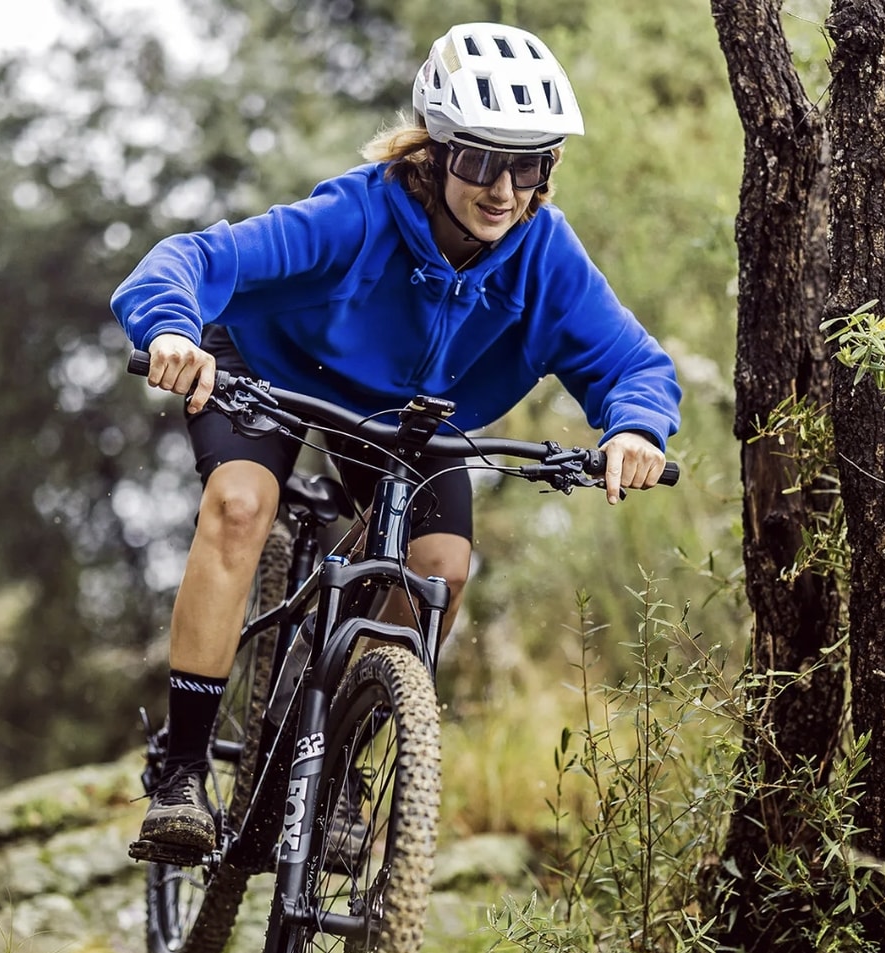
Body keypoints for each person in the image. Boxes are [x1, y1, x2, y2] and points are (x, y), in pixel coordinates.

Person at [110, 22, 680, 862]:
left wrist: (635, 427)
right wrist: (171, 330)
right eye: (483, 161)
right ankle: (184, 768)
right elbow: (188, 260)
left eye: (529, 165)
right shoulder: (356, 215)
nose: (503, 189)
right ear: (436, 151)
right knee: (240, 504)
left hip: (408, 411)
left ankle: (336, 752)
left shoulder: (543, 254)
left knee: (441, 570)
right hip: (264, 363)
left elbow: (632, 362)